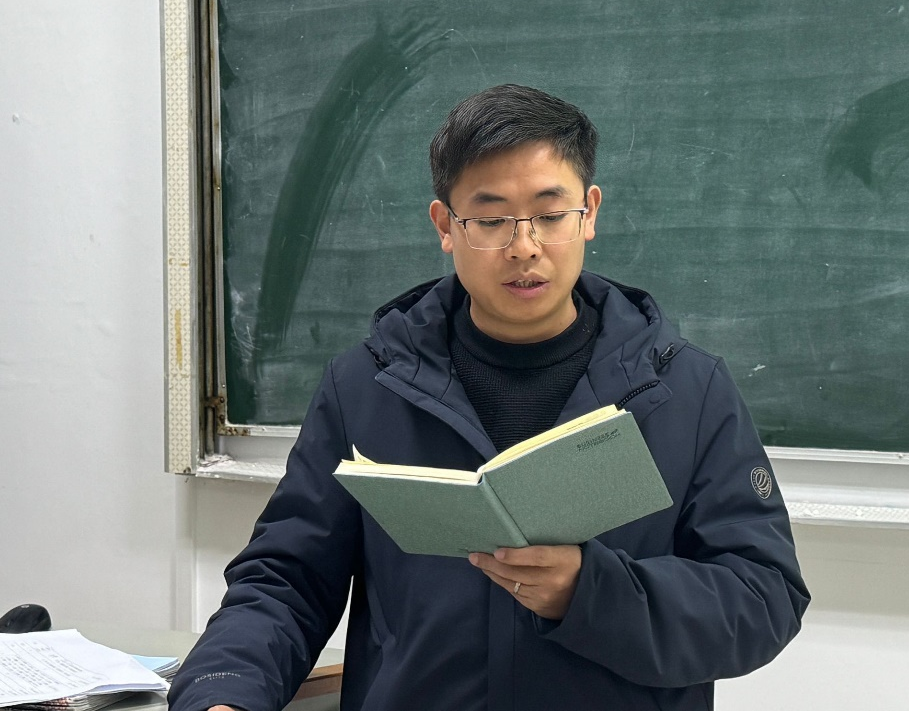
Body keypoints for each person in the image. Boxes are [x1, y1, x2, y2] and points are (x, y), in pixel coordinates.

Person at [168, 84, 810, 711]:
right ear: (445, 225)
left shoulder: (684, 390)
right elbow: (286, 580)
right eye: (491, 219)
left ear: (589, 213)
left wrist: (591, 592)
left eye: (550, 216)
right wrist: (222, 690)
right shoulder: (366, 386)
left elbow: (763, 598)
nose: (524, 246)